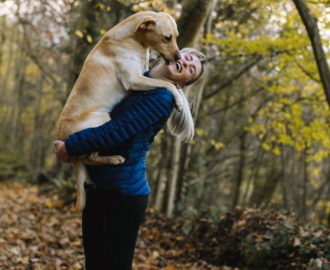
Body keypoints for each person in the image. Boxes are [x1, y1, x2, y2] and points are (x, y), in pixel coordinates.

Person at [55, 47, 206, 270]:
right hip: (97, 185)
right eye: (187, 56)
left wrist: (71, 146)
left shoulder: (162, 97)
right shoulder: (137, 79)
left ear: (181, 85)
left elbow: (116, 132)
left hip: (123, 195)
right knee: (95, 264)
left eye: (191, 69)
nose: (186, 62)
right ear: (174, 53)